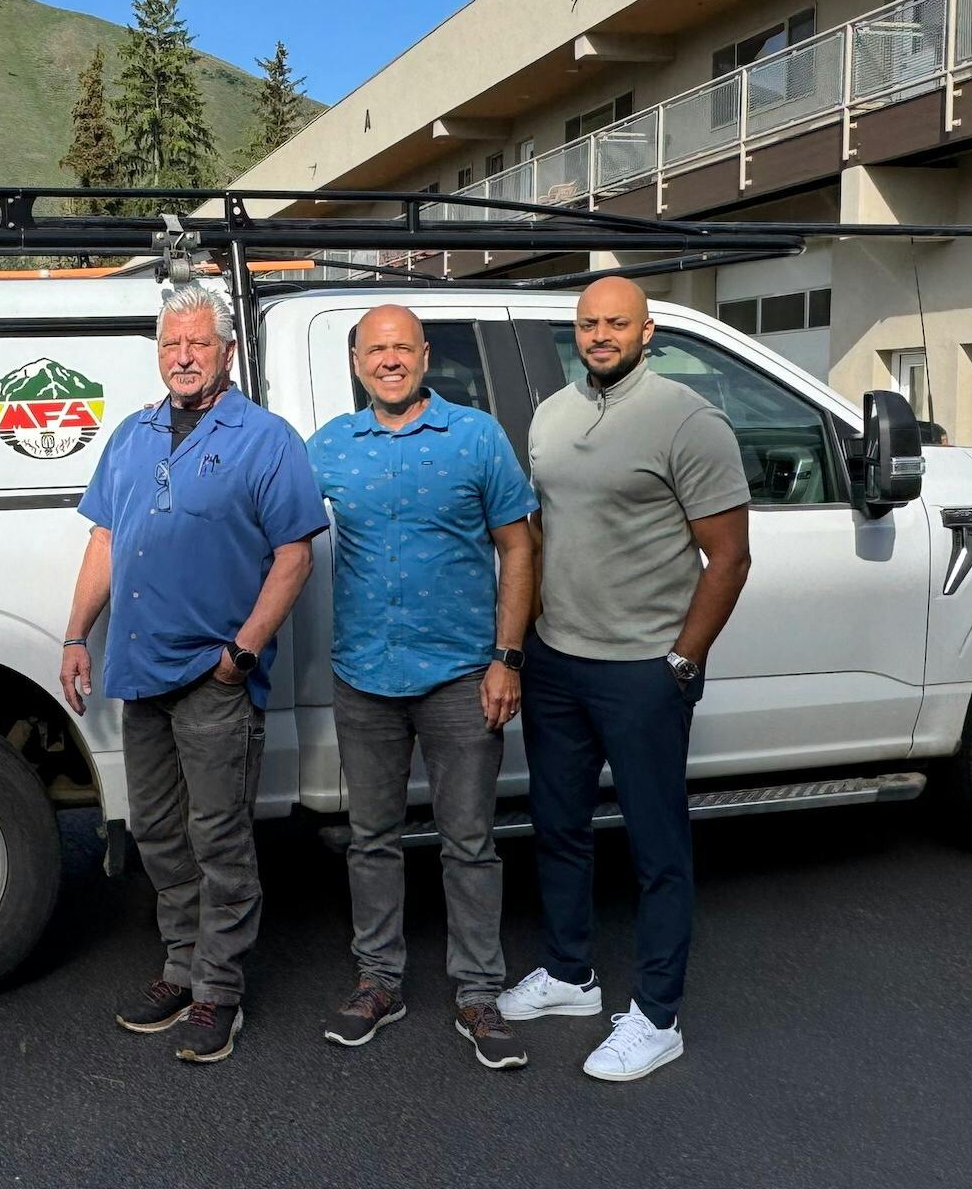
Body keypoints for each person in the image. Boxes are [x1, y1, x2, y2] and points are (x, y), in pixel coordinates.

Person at [60, 282, 327, 1065]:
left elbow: (295, 555)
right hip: (141, 672)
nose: (182, 357)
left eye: (198, 344)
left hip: (215, 679)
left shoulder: (266, 438)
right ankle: (180, 964)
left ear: (226, 352)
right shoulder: (134, 435)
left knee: (219, 839)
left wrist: (240, 652)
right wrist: (77, 632)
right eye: (171, 345)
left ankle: (219, 989)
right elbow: (105, 541)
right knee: (159, 836)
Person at [498, 276, 753, 1083]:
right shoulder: (551, 414)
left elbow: (730, 555)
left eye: (616, 323)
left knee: (657, 846)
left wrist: (682, 658)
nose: (600, 334)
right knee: (560, 826)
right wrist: (522, 643)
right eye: (587, 323)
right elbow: (535, 538)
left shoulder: (685, 417)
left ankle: (657, 1014)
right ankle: (572, 974)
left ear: (647, 332)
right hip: (558, 661)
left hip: (644, 669)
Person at [306, 305, 539, 1069]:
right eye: (376, 350)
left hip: (461, 674)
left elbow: (518, 545)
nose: (390, 360)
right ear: (356, 363)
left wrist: (507, 656)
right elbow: (273, 528)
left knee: (469, 842)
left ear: (425, 356)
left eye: (402, 347)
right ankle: (380, 980)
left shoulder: (476, 437)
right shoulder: (329, 447)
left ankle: (477, 989)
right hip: (363, 676)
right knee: (370, 840)